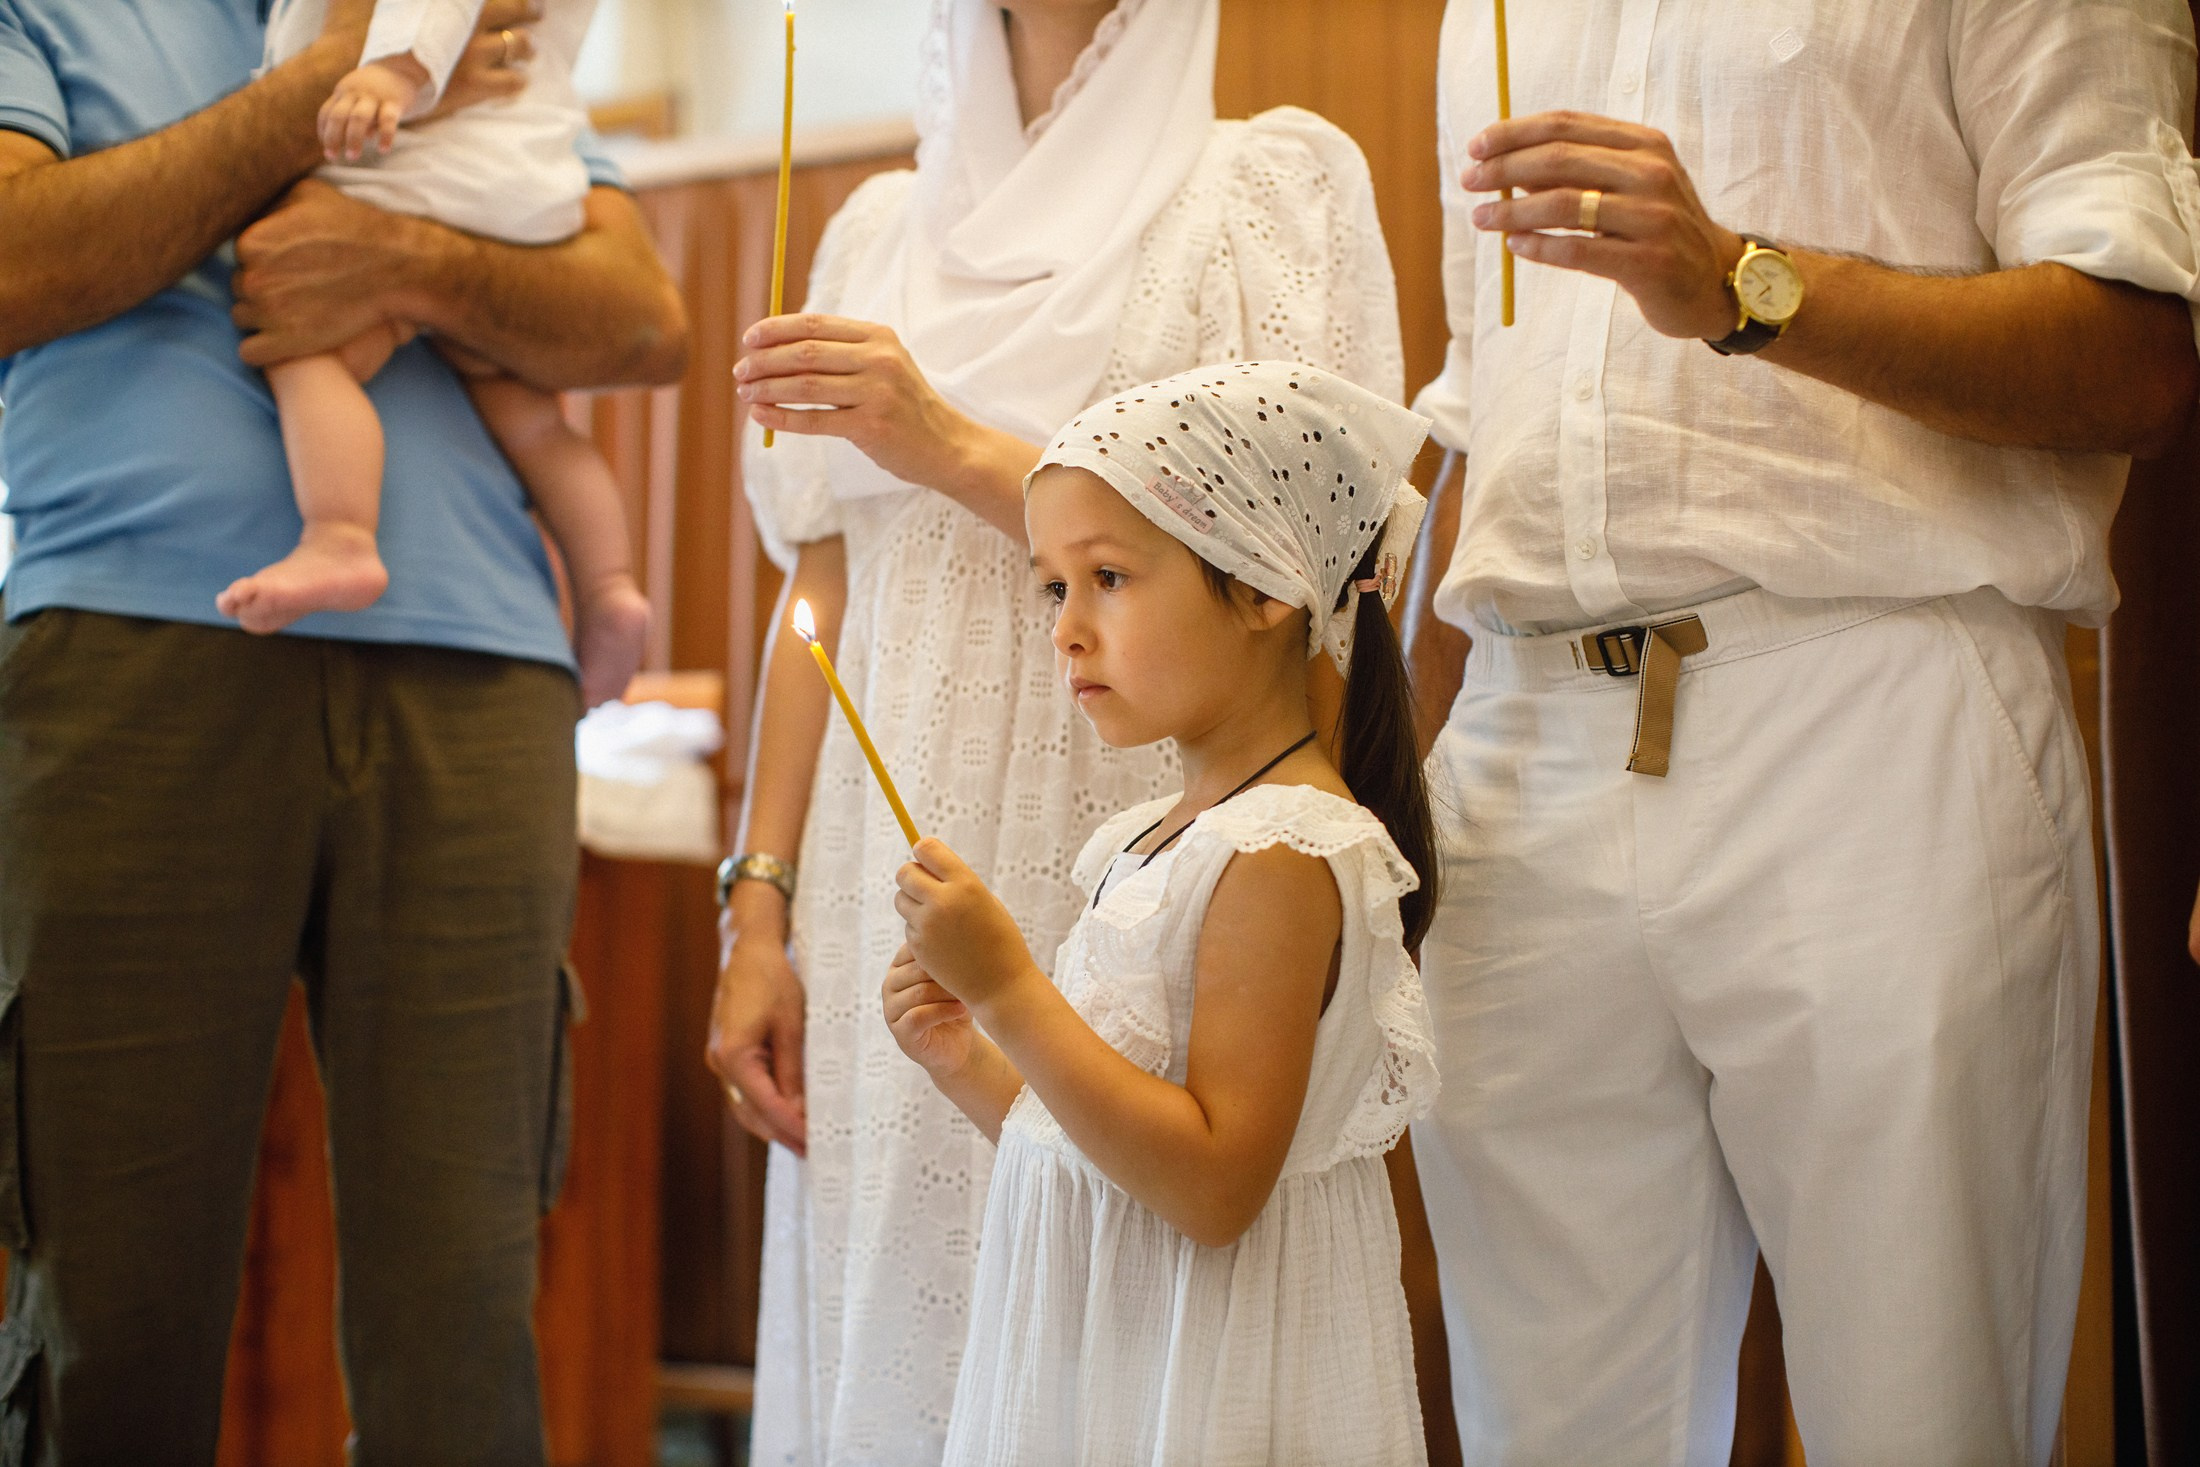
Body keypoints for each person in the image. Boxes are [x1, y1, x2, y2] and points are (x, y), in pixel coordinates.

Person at [1404, 2, 2200, 1463]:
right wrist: (1401, 770)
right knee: (1541, 1433)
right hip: (1520, 741)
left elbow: (2136, 347)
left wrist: (1738, 285)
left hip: (1870, 706)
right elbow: (1483, 403)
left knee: (1923, 1414)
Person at [707, 1, 1404, 1459]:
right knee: (893, 1319)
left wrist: (947, 441)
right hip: (882, 844)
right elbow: (816, 583)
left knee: (1110, 1303)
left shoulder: (1267, 189)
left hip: (1140, 834)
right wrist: (756, 905)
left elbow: (1312, 546)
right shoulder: (872, 230)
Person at [0, 0, 686, 1457]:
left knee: (463, 1315)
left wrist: (403, 260)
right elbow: (15, 259)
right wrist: (325, 83)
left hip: (482, 670)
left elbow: (640, 313)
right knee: (114, 1313)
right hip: (130, 649)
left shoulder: (455, 8)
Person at [884, 361, 1439, 1466]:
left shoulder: (1280, 848)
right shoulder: (1148, 843)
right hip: (1129, 1364)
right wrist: (968, 1055)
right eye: (1054, 589)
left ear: (1265, 586)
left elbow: (1211, 1185)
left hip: (1212, 1385)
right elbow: (1109, 1156)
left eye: (1109, 579)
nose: (1066, 630)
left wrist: (1007, 990)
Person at [224, 0, 650, 710]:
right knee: (536, 425)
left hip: (422, 171)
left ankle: (340, 533)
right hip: (525, 186)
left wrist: (391, 76)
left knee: (306, 346)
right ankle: (610, 585)